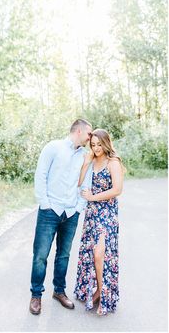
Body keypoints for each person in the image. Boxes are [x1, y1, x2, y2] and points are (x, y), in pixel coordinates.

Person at [29, 119, 93, 315]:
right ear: (80, 131)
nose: (90, 138)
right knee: (40, 255)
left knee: (63, 255)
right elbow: (41, 175)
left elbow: (86, 184)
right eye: (89, 134)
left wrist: (79, 207)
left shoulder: (85, 156)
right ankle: (36, 295)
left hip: (71, 213)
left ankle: (59, 291)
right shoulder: (53, 147)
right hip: (50, 211)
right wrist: (45, 204)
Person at [74, 128, 124, 316]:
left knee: (100, 253)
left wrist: (93, 197)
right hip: (92, 214)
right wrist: (85, 164)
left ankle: (102, 293)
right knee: (91, 253)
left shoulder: (113, 162)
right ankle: (95, 291)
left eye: (99, 144)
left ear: (106, 143)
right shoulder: (92, 159)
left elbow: (117, 190)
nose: (96, 148)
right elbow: (79, 183)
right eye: (92, 145)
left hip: (107, 213)